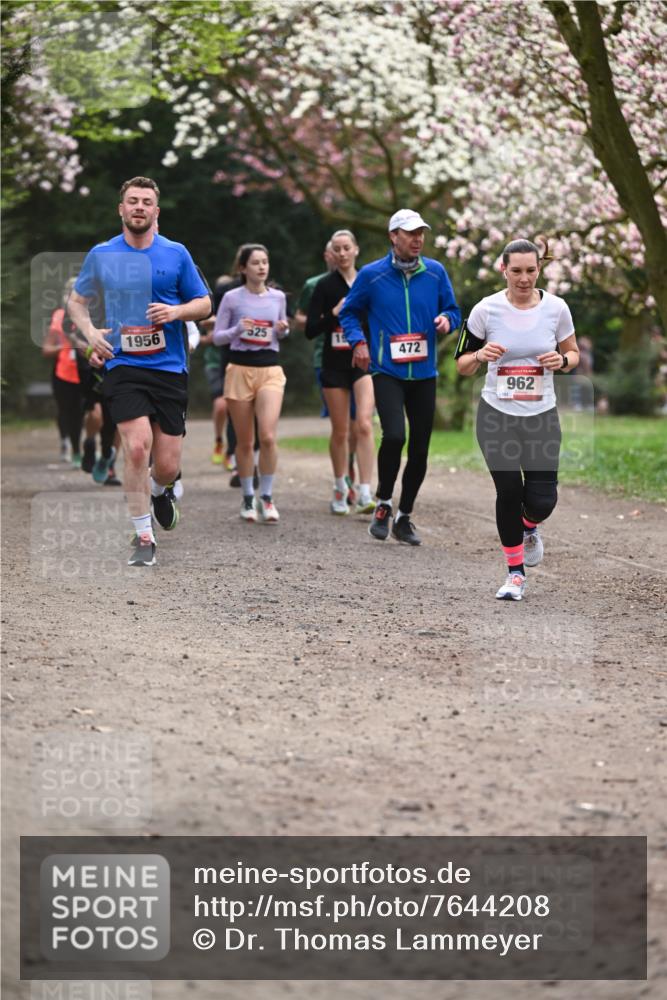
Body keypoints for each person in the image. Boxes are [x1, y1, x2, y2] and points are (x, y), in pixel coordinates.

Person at [68, 176, 211, 566]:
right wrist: (90, 332)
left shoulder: (176, 253)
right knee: (134, 447)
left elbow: (204, 304)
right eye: (132, 201)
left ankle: (161, 490)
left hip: (169, 367)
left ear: (156, 212)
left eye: (146, 202)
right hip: (123, 364)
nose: (139, 208)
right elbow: (77, 303)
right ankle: (143, 534)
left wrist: (177, 312)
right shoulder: (102, 254)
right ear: (121, 209)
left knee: (166, 465)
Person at [456, 237, 580, 601]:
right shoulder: (485, 310)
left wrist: (563, 362)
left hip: (541, 415)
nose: (524, 279)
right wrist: (480, 354)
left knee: (542, 501)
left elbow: (572, 353)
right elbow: (462, 365)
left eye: (531, 270)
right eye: (516, 271)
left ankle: (529, 527)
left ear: (539, 269)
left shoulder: (557, 309)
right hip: (496, 415)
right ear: (503, 270)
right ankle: (515, 574)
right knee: (508, 492)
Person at [340, 208, 461, 545]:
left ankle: (404, 516)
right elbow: (349, 312)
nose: (418, 239)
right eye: (410, 233)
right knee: (394, 436)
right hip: (387, 370)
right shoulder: (371, 275)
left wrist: (446, 321)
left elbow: (453, 309)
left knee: (420, 448)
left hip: (424, 373)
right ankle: (382, 503)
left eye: (421, 232)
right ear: (394, 237)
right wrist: (359, 343)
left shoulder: (435, 272)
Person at [213, 243, 289, 523]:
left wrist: (283, 330)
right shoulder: (232, 298)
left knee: (267, 436)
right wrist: (237, 330)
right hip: (239, 369)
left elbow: (280, 331)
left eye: (265, 262)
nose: (262, 267)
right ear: (243, 268)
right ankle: (247, 497)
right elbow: (218, 336)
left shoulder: (278, 297)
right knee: (245, 442)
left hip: (269, 369)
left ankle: (266, 497)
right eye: (255, 262)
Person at [305, 229, 375, 514]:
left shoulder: (368, 282)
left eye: (347, 248)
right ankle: (339, 484)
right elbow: (310, 330)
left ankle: (365, 491)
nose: (343, 253)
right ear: (332, 254)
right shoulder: (324, 286)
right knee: (340, 430)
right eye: (338, 249)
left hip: (363, 364)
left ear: (356, 250)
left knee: (365, 424)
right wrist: (332, 314)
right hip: (333, 366)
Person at [43, 279, 83, 467]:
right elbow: (46, 349)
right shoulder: (59, 316)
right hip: (62, 373)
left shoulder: (92, 316)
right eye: (71, 292)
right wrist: (64, 346)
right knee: (65, 411)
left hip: (84, 372)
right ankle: (67, 443)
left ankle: (79, 448)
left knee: (81, 412)